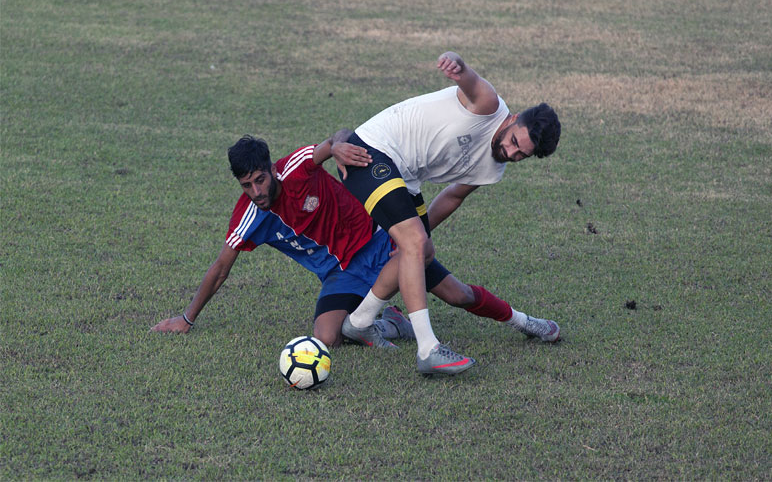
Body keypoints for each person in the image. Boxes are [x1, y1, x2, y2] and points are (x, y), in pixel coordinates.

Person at [152, 135, 560, 373]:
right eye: (247, 185)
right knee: (326, 338)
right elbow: (221, 267)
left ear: (271, 170)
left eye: (260, 180)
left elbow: (328, 145)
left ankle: (526, 322)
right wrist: (186, 319)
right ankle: (385, 320)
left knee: (459, 296)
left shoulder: (294, 169)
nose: (257, 191)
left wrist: (340, 149)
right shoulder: (249, 216)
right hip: (341, 276)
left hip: (382, 243)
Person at [331, 51, 561, 375]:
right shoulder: (488, 104)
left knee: (421, 253)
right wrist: (457, 64)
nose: (508, 152)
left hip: (405, 178)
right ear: (514, 118)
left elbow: (453, 195)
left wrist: (419, 245)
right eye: (512, 141)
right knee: (413, 242)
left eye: (520, 155)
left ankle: (359, 321)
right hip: (372, 151)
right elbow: (470, 79)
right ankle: (428, 350)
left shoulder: (493, 169)